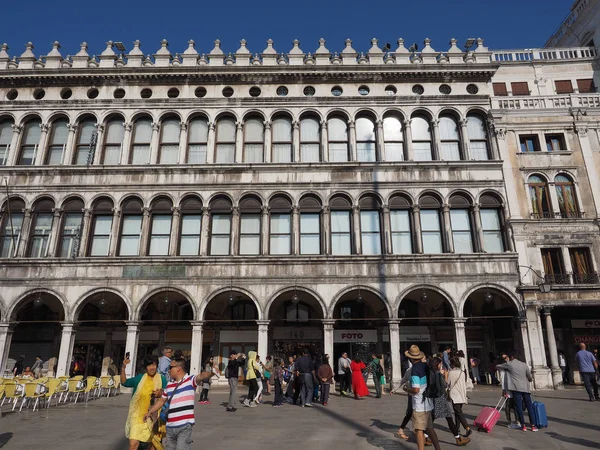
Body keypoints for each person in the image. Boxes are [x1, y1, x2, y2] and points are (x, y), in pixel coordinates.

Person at [143, 358, 213, 450]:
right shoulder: (169, 384)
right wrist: (150, 412)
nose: (168, 370)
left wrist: (210, 373)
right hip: (170, 426)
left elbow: (200, 377)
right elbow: (161, 401)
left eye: (170, 367)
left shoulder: (190, 380)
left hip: (184, 425)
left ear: (178, 368)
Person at [121, 355, 167, 450]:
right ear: (146, 367)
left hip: (154, 418)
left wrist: (161, 392)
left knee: (153, 445)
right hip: (137, 416)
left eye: (154, 365)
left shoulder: (162, 379)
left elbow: (169, 393)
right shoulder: (139, 379)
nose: (152, 367)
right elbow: (124, 382)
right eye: (149, 365)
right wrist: (123, 368)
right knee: (133, 444)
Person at [403, 345, 442, 450]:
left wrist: (406, 389)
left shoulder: (415, 370)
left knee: (419, 430)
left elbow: (416, 390)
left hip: (419, 404)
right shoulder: (425, 366)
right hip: (428, 403)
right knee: (429, 428)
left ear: (410, 358)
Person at [429, 357, 471, 446]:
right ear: (437, 364)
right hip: (441, 399)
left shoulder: (430, 373)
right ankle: (458, 438)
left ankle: (424, 436)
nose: (441, 365)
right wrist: (444, 375)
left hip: (434, 398)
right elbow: (444, 384)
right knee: (449, 419)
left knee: (432, 418)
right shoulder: (438, 374)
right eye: (440, 364)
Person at [496, 351, 538, 432]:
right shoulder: (524, 364)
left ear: (510, 357)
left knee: (518, 406)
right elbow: (529, 377)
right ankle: (533, 426)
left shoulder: (510, 364)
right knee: (529, 407)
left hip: (516, 388)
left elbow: (498, 366)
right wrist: (528, 379)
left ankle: (523, 426)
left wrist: (507, 363)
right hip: (525, 388)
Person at [447, 357, 473, 439]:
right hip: (462, 394)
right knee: (457, 412)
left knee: (458, 412)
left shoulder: (451, 373)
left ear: (453, 364)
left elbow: (448, 383)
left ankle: (467, 428)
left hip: (455, 395)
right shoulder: (462, 372)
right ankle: (457, 428)